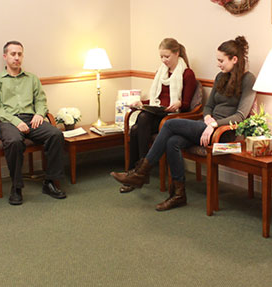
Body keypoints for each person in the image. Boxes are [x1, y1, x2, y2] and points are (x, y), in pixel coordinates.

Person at [110, 36, 256, 211]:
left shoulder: (248, 79)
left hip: (223, 132)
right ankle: (179, 195)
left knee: (170, 125)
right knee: (173, 142)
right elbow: (208, 106)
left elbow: (241, 115)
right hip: (207, 126)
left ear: (235, 59)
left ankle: (141, 173)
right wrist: (208, 118)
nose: (218, 64)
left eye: (221, 60)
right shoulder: (221, 77)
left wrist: (214, 125)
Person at [0, 41, 67, 205]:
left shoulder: (32, 79)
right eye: (13, 54)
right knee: (14, 141)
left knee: (56, 134)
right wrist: (16, 121)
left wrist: (39, 113)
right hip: (7, 121)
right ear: (5, 56)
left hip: (31, 119)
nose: (17, 58)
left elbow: (41, 100)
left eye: (19, 54)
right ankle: (16, 187)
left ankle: (50, 182)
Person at [120, 38, 197, 194]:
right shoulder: (161, 72)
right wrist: (141, 102)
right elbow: (156, 99)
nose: (164, 60)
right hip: (158, 112)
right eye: (161, 56)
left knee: (139, 123)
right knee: (137, 126)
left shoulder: (187, 74)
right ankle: (137, 173)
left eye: (167, 56)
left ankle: (138, 173)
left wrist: (179, 104)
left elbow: (187, 104)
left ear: (177, 53)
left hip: (173, 116)